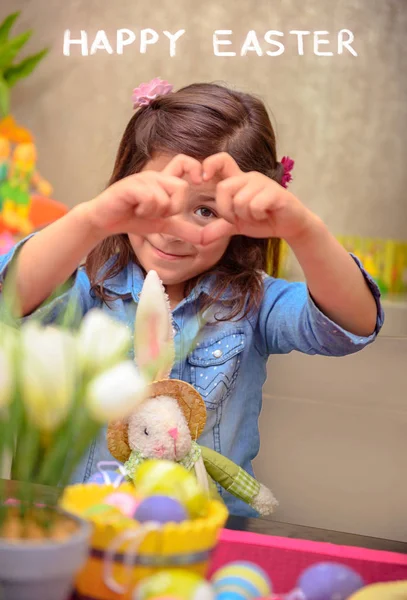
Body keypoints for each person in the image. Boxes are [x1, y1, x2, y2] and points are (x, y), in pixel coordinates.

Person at [0, 79, 384, 516]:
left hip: (212, 539)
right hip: (86, 529)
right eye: (159, 199)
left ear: (242, 221)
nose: (172, 229)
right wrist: (93, 218)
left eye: (205, 210)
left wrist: (302, 229)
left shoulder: (252, 303)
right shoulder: (89, 287)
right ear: (127, 185)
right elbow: (14, 297)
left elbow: (352, 324)